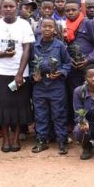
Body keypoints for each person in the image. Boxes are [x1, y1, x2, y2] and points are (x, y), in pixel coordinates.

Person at [0, 0, 34, 152]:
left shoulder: (24, 24)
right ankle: (6, 138)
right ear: (1, 9)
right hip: (1, 71)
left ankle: (16, 138)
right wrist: (3, 54)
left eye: (11, 6)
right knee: (3, 105)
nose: (8, 9)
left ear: (17, 8)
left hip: (20, 71)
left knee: (19, 105)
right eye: (5, 6)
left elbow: (26, 50)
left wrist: (20, 73)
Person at [31, 18, 72, 155]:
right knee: (40, 114)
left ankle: (62, 141)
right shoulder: (34, 46)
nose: (47, 29)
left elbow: (67, 63)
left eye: (50, 27)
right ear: (39, 28)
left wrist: (61, 72)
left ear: (55, 30)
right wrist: (33, 75)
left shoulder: (60, 46)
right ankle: (42, 140)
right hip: (39, 86)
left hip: (56, 85)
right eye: (44, 26)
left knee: (59, 113)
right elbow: (29, 65)